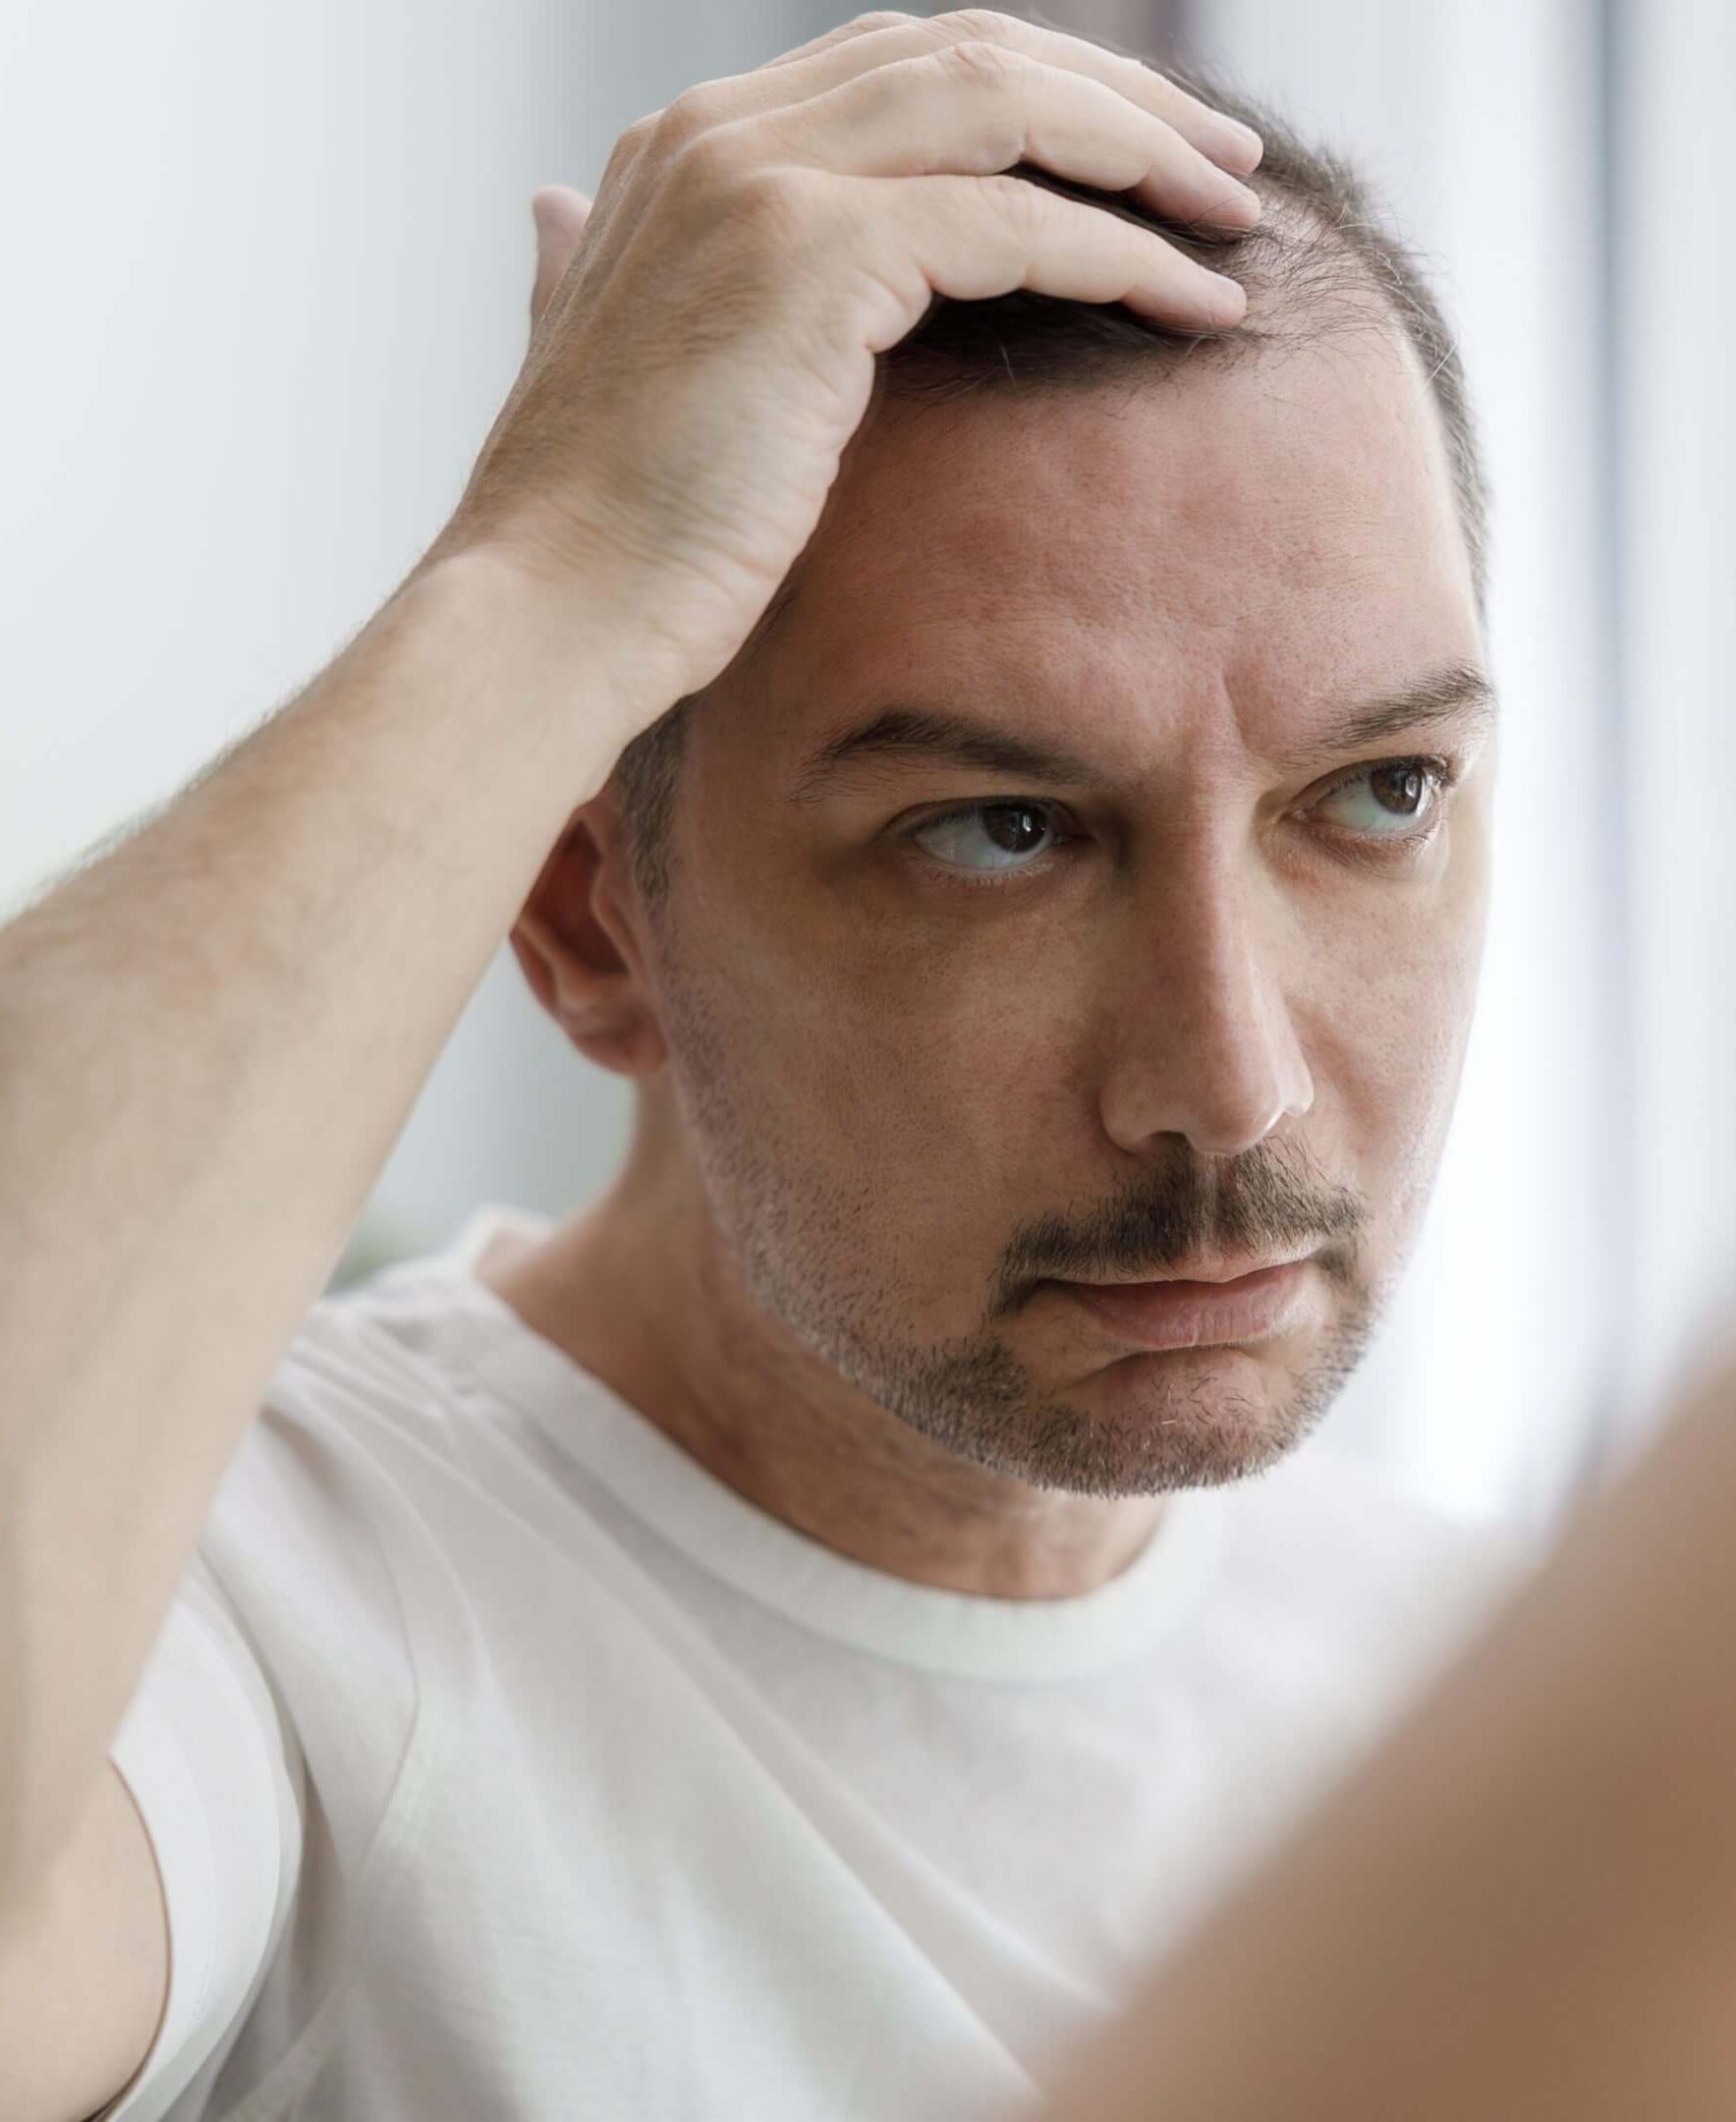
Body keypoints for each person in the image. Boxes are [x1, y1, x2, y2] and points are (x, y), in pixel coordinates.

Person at [0, 13, 1531, 2117]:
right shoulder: (281, 1622)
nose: (1229, 1082)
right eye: (999, 831)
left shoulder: (1509, 1693)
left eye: (1378, 793)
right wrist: (547, 580)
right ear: (584, 917)